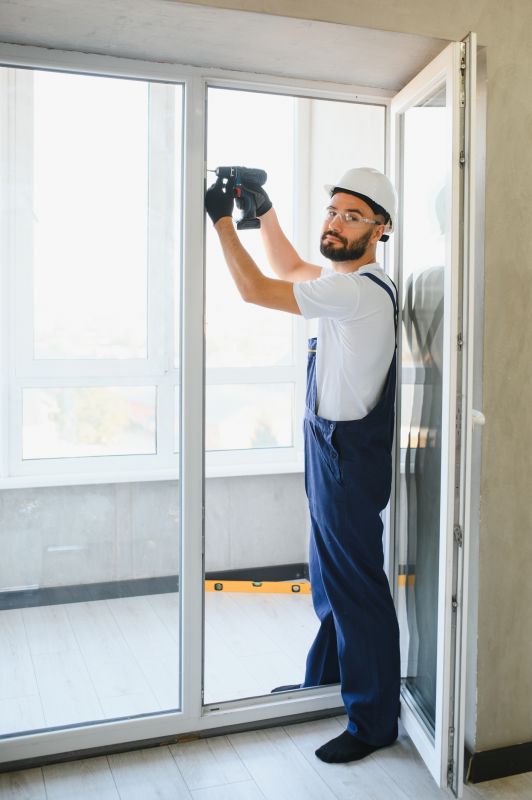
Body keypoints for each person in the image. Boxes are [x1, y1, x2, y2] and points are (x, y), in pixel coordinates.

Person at [205, 167, 401, 764]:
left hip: (345, 456)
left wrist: (219, 220)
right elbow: (291, 270)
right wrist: (262, 212)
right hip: (328, 448)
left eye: (352, 216)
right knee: (328, 579)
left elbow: (257, 290)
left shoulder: (359, 290)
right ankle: (329, 681)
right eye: (333, 212)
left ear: (380, 229)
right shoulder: (345, 281)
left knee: (356, 588)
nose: (336, 223)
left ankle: (372, 723)